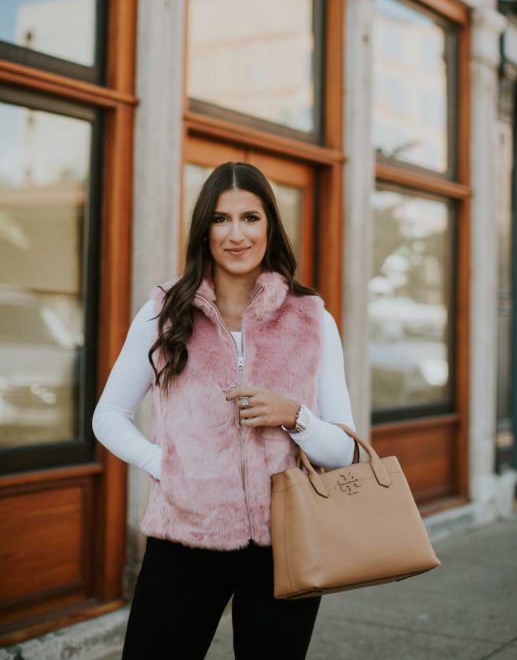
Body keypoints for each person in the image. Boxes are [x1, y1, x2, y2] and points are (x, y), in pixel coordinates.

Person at [93, 161, 356, 660]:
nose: (236, 234)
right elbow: (107, 416)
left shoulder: (312, 318)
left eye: (250, 218)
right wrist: (168, 468)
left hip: (287, 542)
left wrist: (294, 414)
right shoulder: (164, 311)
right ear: (204, 230)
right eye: (221, 219)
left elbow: (344, 450)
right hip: (184, 541)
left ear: (270, 226)